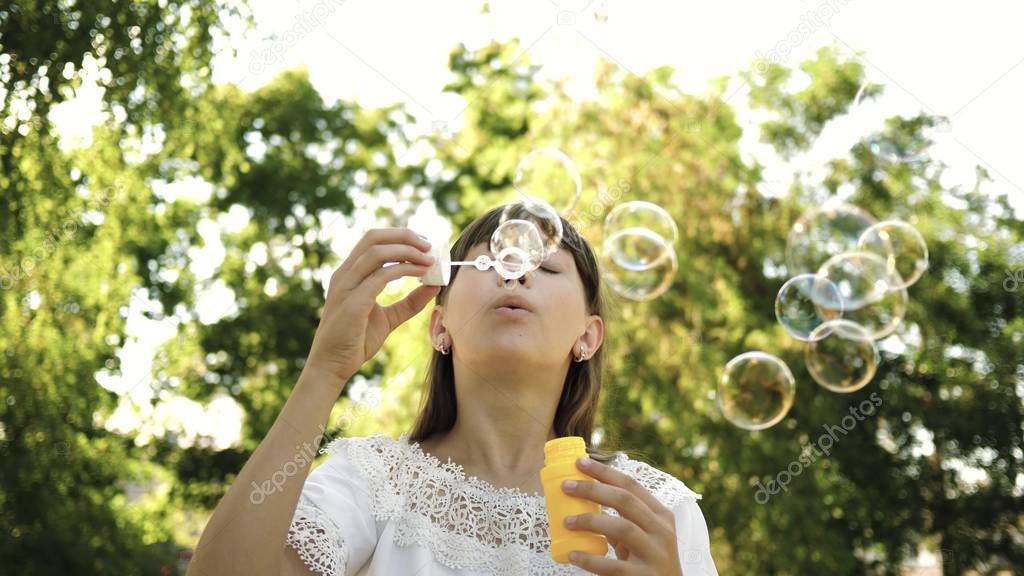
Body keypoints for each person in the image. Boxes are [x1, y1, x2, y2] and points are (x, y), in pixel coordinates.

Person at [188, 205, 718, 575]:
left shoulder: (650, 510)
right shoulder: (374, 485)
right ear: (439, 326)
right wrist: (325, 370)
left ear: (588, 335)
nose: (516, 276)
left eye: (545, 265)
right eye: (492, 261)